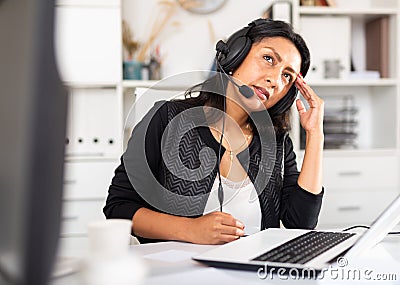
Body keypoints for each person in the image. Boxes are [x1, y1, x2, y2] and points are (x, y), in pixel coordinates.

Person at [103, 18, 324, 245]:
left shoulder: (276, 142)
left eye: (287, 75)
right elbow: (118, 208)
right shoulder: (167, 118)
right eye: (268, 59)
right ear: (235, 56)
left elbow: (301, 223)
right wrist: (189, 229)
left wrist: (315, 134)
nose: (275, 80)